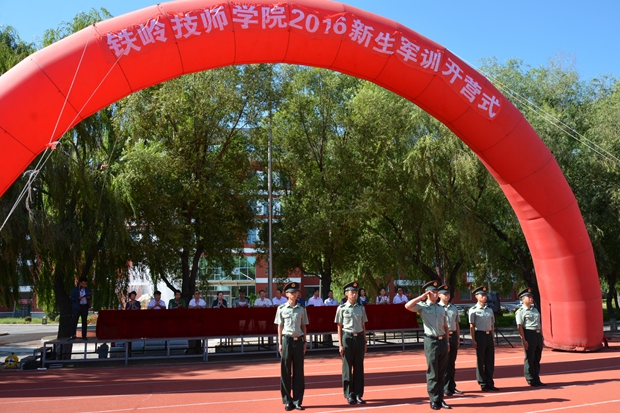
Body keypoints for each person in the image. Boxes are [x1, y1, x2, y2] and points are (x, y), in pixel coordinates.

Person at [405, 281, 451, 410]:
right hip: (431, 341)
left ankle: (441, 398)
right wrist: (421, 297)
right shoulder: (423, 307)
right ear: (428, 293)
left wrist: (447, 342)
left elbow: (446, 327)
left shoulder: (441, 308)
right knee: (433, 372)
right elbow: (407, 306)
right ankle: (433, 399)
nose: (436, 294)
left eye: (437, 292)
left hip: (442, 341)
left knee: (442, 372)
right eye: (433, 292)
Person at [274, 282, 309, 411]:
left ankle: (298, 400)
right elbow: (280, 326)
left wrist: (305, 342)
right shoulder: (281, 309)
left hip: (299, 341)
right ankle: (288, 400)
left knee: (299, 372)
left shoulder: (302, 309)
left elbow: (304, 326)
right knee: (286, 371)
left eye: (296, 292)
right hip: (287, 341)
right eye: (292, 292)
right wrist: (280, 343)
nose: (295, 294)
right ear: (287, 294)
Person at [335, 281, 368, 405]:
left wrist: (365, 341)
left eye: (355, 292)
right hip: (347, 338)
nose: (354, 294)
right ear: (346, 294)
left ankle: (358, 394)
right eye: (352, 292)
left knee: (359, 367)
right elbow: (339, 326)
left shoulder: (361, 308)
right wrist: (340, 344)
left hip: (359, 338)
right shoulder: (341, 308)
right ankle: (349, 394)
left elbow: (364, 326)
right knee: (347, 368)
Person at [469, 285, 498, 392]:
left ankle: (490, 382)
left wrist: (493, 337)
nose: (484, 297)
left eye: (485, 295)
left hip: (488, 336)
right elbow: (471, 326)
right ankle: (482, 383)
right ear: (476, 296)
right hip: (479, 335)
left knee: (490, 360)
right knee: (481, 360)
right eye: (482, 295)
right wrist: (473, 339)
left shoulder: (489, 310)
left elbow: (492, 326)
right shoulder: (473, 310)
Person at [516, 287, 545, 387]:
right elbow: (520, 326)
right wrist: (523, 340)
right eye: (528, 297)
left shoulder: (535, 310)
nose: (530, 298)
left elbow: (539, 323)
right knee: (530, 357)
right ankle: (530, 378)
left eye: (531, 297)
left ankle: (536, 377)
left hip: (537, 334)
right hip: (529, 333)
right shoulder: (520, 311)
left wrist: (541, 335)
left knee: (537, 356)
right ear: (523, 299)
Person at [438, 284, 463, 397]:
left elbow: (457, 324)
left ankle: (452, 386)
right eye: (444, 294)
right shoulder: (437, 307)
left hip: (453, 336)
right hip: (443, 337)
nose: (447, 296)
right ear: (439, 295)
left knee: (452, 363)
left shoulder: (453, 308)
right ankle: (444, 387)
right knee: (444, 364)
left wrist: (458, 337)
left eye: (448, 293)